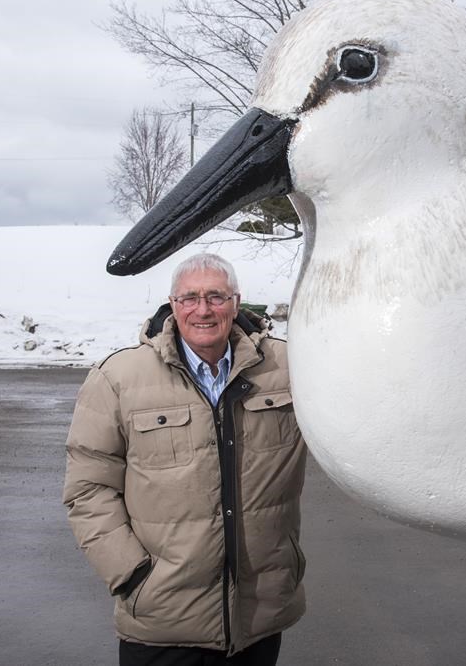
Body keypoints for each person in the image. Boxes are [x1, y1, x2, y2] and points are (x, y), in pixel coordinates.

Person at [64, 252, 306, 666]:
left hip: (258, 617)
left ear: (236, 302)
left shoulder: (290, 367)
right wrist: (133, 576)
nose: (203, 310)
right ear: (172, 305)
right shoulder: (118, 378)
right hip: (163, 622)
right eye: (190, 298)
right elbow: (89, 489)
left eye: (216, 296)